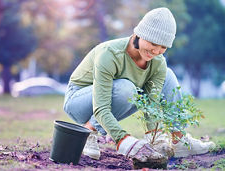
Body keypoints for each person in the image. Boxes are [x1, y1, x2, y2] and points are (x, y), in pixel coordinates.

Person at [63, 7, 215, 161]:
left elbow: (151, 102)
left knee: (167, 74)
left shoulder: (157, 62)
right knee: (126, 88)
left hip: (121, 94)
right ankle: (88, 132)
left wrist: (154, 137)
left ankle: (179, 140)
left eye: (163, 47)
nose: (156, 51)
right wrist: (123, 139)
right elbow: (100, 107)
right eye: (153, 43)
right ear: (138, 34)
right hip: (79, 101)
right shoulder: (109, 54)